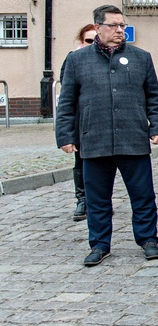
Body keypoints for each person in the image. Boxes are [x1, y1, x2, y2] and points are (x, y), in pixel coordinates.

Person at [55, 5, 158, 266]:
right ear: (97, 28)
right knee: (97, 198)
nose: (120, 30)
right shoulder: (77, 60)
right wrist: (65, 136)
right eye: (114, 25)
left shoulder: (141, 57)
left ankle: (148, 239)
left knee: (143, 195)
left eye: (122, 25)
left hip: (133, 137)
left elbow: (153, 97)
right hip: (94, 139)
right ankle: (100, 243)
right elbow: (67, 102)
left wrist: (157, 127)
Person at [61, 23, 97, 222]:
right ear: (82, 41)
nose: (92, 44)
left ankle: (99, 200)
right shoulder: (73, 59)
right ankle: (82, 199)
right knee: (80, 161)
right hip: (81, 119)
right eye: (88, 40)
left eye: (95, 40)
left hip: (98, 120)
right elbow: (68, 93)